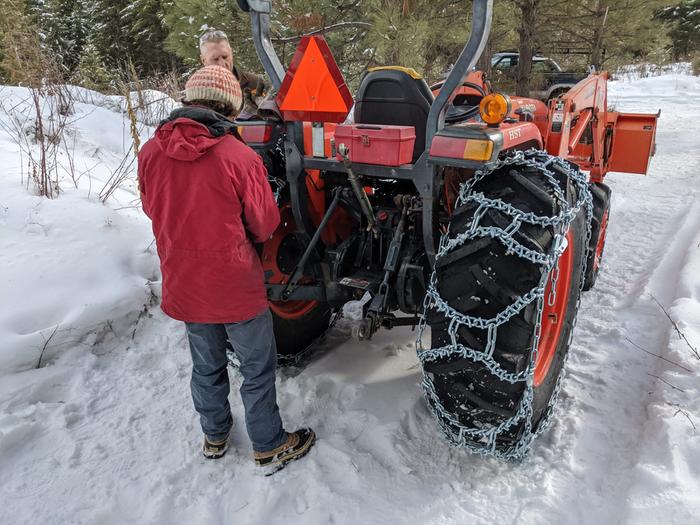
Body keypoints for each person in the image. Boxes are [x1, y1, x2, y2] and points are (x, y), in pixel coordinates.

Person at [138, 65, 315, 475]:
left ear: (189, 100)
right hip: (235, 286)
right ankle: (269, 444)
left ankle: (215, 436)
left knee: (206, 365)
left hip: (184, 281)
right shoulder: (238, 156)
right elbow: (266, 223)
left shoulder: (150, 151)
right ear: (230, 107)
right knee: (256, 368)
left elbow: (151, 208)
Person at [199, 29, 269, 117]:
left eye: (225, 57)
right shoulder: (197, 93)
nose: (222, 64)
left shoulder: (255, 83)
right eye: (215, 59)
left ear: (231, 53)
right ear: (203, 60)